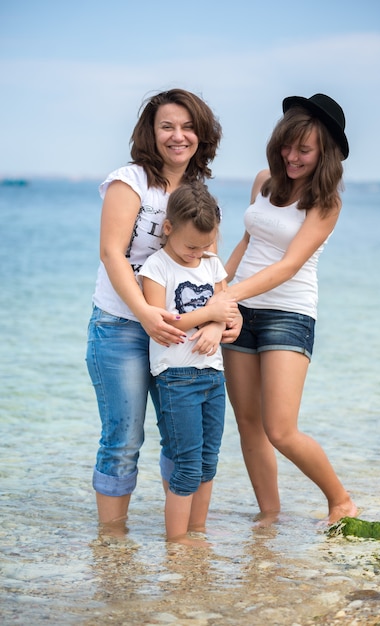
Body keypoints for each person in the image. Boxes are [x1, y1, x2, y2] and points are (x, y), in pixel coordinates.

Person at [86, 88, 240, 536]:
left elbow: (214, 270)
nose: (178, 135)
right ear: (150, 133)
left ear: (202, 135)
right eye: (167, 126)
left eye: (189, 126)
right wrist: (145, 314)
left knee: (185, 439)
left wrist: (224, 316)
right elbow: (112, 254)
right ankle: (114, 548)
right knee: (124, 439)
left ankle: (184, 542)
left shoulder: (198, 194)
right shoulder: (129, 181)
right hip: (121, 327)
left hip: (184, 335)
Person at [215, 93, 358, 526]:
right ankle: (269, 516)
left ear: (324, 154)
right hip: (239, 312)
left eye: (304, 150)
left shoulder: (326, 203)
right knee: (248, 424)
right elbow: (248, 240)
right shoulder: (263, 180)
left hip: (289, 316)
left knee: (280, 429)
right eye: (287, 145)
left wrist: (228, 298)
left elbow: (289, 265)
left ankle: (341, 501)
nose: (292, 157)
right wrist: (219, 285)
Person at [139, 180, 236, 543]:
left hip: (213, 375)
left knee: (209, 462)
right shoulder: (156, 267)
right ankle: (176, 544)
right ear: (168, 228)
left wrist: (214, 324)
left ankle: (198, 533)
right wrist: (210, 313)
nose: (197, 254)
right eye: (190, 246)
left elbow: (226, 307)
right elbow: (160, 319)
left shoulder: (212, 264)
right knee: (187, 465)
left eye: (204, 246)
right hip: (175, 377)